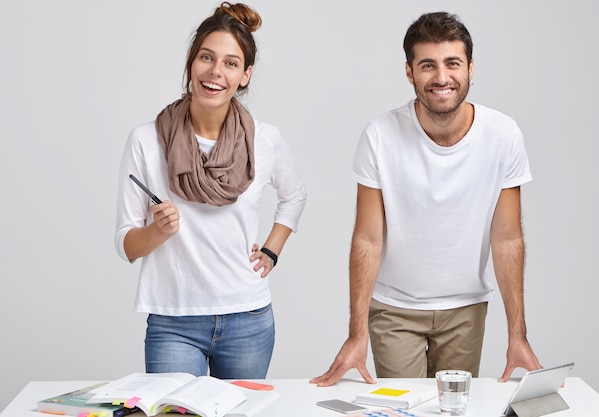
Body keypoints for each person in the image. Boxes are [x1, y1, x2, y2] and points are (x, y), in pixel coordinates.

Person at [311, 11, 541, 386]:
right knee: (404, 409)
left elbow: (508, 238)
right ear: (409, 72)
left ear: (470, 68)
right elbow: (367, 238)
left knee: (455, 409)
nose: (441, 77)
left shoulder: (504, 135)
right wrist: (356, 335)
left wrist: (518, 335)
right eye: (427, 65)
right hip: (394, 309)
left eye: (452, 63)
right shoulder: (379, 136)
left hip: (466, 309)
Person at [114, 2, 306, 379]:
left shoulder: (264, 140)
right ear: (191, 62)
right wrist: (158, 231)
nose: (215, 72)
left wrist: (271, 249)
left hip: (248, 319)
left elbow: (294, 195)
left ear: (245, 75)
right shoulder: (146, 140)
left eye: (231, 63)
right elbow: (126, 245)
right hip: (173, 322)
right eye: (206, 57)